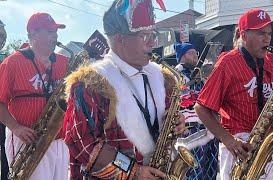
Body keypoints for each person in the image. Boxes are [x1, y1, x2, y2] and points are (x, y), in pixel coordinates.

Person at [63, 0, 187, 179]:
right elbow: (83, 145)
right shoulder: (90, 84)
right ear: (120, 38)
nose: (152, 43)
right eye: (145, 36)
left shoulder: (161, 78)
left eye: (154, 35)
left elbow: (165, 123)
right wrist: (132, 171)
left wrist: (177, 122)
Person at [194, 8, 273, 180]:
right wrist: (229, 141)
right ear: (243, 35)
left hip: (268, 146)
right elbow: (201, 108)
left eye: (269, 34)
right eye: (260, 33)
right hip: (239, 148)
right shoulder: (227, 63)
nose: (267, 39)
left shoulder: (272, 61)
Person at [0, 13, 69, 180]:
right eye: (50, 31)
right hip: (28, 141)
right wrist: (16, 128)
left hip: (59, 141)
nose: (56, 35)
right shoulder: (12, 63)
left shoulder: (64, 62)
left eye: (56, 31)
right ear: (34, 34)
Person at [174, 42, 219, 179]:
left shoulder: (200, 73)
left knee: (210, 165)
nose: (195, 56)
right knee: (194, 167)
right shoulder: (177, 73)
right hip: (190, 127)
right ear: (182, 57)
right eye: (190, 53)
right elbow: (182, 96)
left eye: (195, 53)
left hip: (207, 124)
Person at [0, 18, 9, 180]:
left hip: (3, 113)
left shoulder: (6, 58)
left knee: (6, 152)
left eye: (3, 37)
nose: (2, 40)